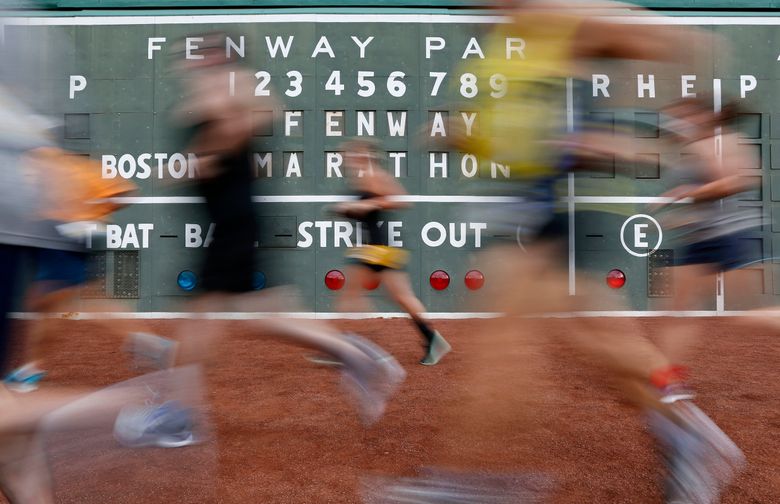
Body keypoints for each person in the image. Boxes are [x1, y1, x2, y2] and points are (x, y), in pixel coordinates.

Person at [365, 2, 743, 503]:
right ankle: (684, 430)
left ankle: (479, 480)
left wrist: (635, 131)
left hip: (552, 205)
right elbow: (509, 133)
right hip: (520, 208)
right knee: (597, 341)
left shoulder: (561, 15)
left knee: (508, 333)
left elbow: (687, 45)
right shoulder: (500, 45)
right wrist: (463, 137)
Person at [116, 33, 407, 443]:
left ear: (217, 55)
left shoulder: (228, 85)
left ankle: (177, 416)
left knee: (204, 315)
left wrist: (205, 158)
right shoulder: (222, 88)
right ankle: (357, 355)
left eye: (195, 54)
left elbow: (259, 113)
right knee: (255, 315)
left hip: (233, 221)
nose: (186, 61)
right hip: (233, 219)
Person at [328, 139, 451, 365]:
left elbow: (400, 200)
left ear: (367, 155)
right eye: (348, 154)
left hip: (375, 249)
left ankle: (346, 350)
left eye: (354, 153)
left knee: (350, 297)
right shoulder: (360, 178)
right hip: (376, 248)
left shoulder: (375, 175)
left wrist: (368, 205)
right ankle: (433, 340)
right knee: (399, 297)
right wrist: (346, 208)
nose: (349, 157)